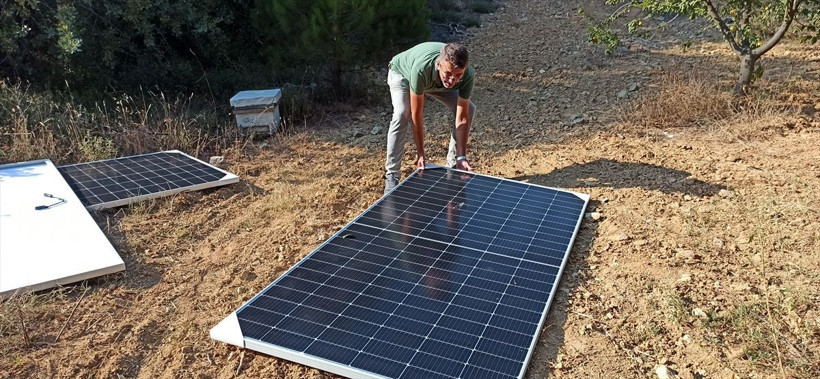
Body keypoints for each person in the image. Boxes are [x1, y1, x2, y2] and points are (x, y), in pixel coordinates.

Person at [383, 42, 476, 194]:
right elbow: (417, 113)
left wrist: (462, 156)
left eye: (458, 75)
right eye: (449, 73)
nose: (452, 79)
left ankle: (454, 165)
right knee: (402, 112)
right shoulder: (421, 69)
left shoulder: (467, 75)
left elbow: (462, 116)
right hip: (403, 74)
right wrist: (420, 154)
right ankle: (392, 175)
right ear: (439, 65)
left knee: (470, 109)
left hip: (435, 82)